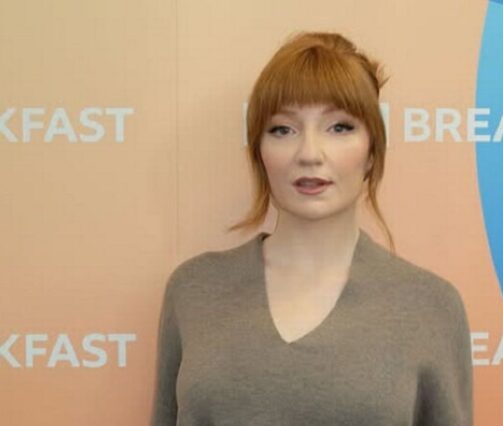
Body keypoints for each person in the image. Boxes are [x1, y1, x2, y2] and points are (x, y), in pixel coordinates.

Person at [150, 31, 473, 425]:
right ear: (259, 152)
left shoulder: (430, 305)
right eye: (283, 129)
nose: (309, 154)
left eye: (339, 127)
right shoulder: (194, 290)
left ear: (372, 152)